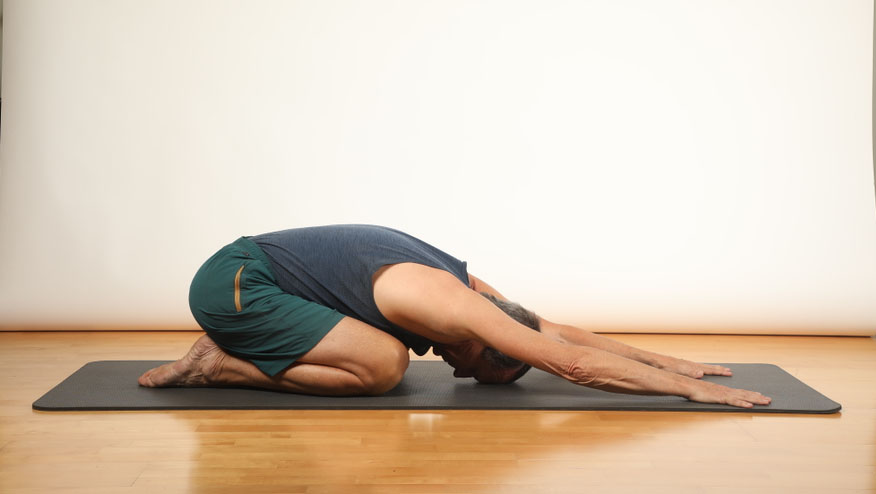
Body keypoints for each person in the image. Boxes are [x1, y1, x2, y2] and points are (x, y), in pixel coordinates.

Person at [139, 225, 771, 409]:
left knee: (384, 359)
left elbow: (556, 331)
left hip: (249, 274)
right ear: (481, 340)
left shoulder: (485, 297)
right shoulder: (449, 306)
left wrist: (672, 360)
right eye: (473, 369)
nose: (454, 369)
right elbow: (573, 364)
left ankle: (228, 354)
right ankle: (217, 363)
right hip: (236, 287)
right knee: (383, 366)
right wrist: (689, 393)